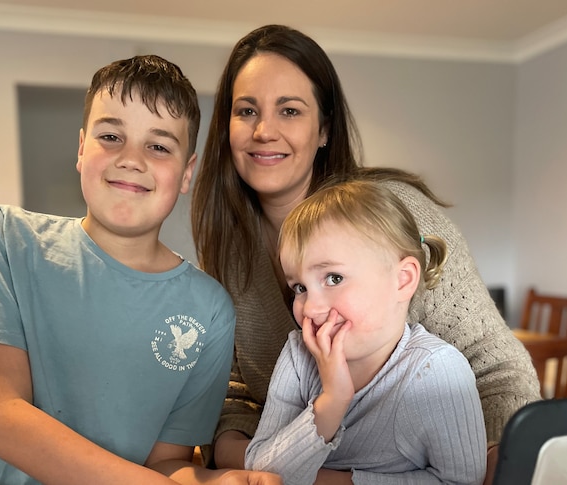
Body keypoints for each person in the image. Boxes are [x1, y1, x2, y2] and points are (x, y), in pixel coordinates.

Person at [190, 24, 541, 474]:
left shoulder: (396, 215)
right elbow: (233, 387)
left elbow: (496, 373)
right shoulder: (227, 248)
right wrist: (244, 456)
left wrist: (497, 467)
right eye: (246, 111)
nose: (264, 131)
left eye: (290, 110)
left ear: (324, 130)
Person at [0, 56, 280, 485]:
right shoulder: (9, 239)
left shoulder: (211, 309)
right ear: (82, 148)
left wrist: (215, 481)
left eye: (159, 146)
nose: (131, 159)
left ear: (187, 173)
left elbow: (166, 463)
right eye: (111, 136)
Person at [245, 180, 487, 484]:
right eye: (300, 287)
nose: (309, 309)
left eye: (334, 278)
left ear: (402, 280)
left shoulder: (435, 370)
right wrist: (332, 401)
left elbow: (462, 482)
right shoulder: (298, 354)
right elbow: (260, 472)